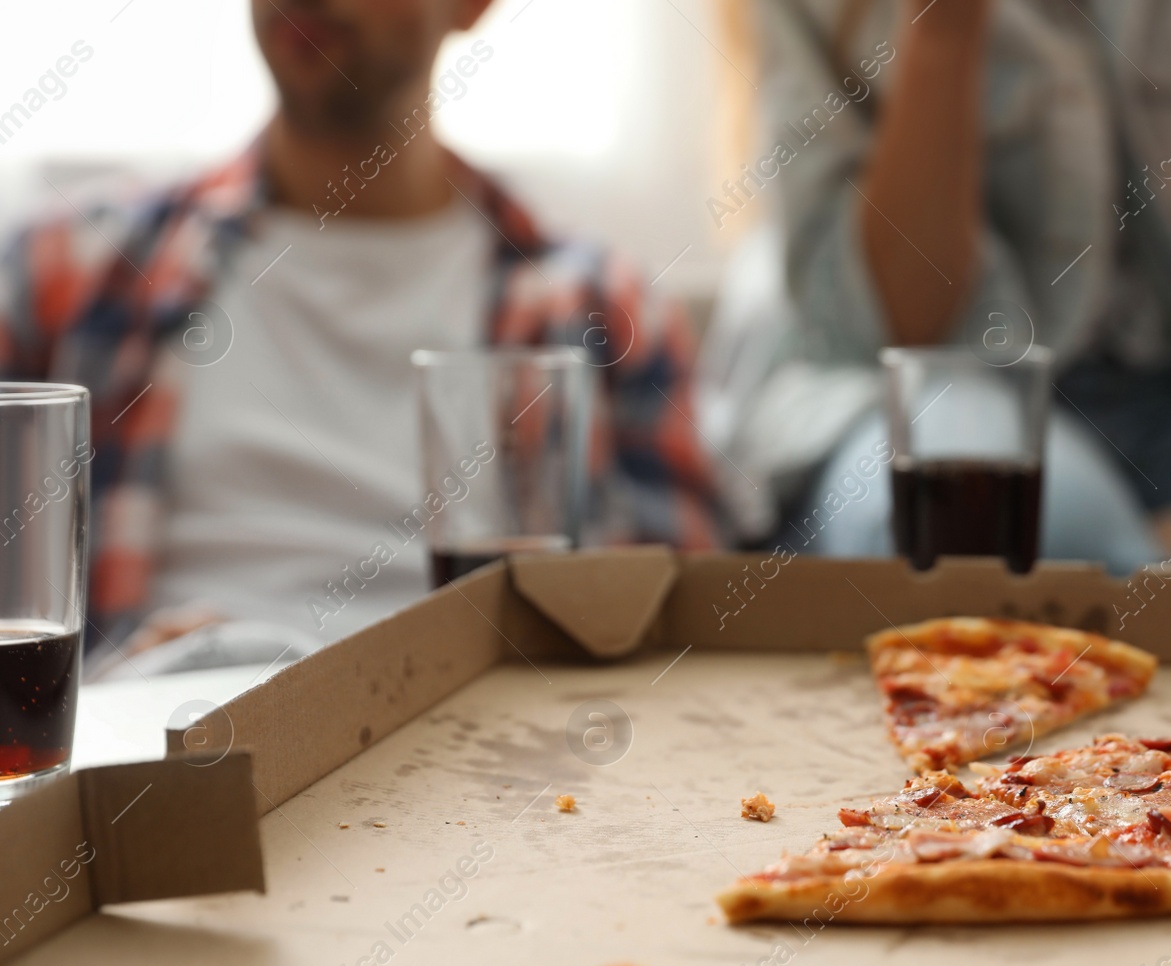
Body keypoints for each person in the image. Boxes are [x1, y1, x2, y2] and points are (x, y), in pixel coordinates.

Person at [0, 0, 722, 664]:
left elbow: (691, 645)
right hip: (149, 752)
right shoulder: (65, 273)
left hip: (469, 762)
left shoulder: (605, 310)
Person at [735, 0, 1171, 567]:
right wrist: (943, 34)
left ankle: (1111, 585)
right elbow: (898, 328)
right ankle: (1158, 572)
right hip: (950, 396)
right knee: (976, 530)